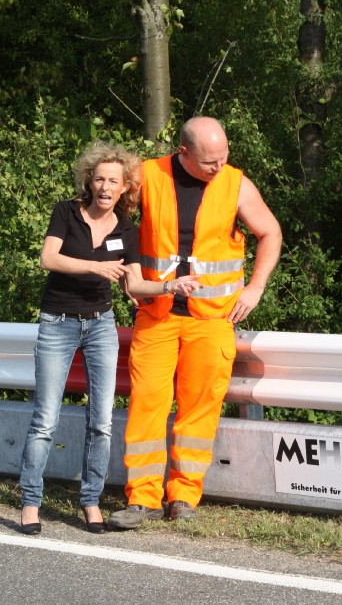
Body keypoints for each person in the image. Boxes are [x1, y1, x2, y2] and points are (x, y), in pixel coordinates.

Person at [108, 116, 282, 530]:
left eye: (224, 157)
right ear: (183, 152)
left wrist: (255, 288)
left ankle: (184, 495)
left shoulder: (236, 184)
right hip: (156, 315)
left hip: (212, 319)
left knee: (199, 410)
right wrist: (127, 274)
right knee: (147, 405)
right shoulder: (147, 176)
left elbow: (271, 233)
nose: (219, 167)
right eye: (209, 161)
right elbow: (111, 222)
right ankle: (142, 499)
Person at [19, 141, 201, 535]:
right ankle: (31, 502)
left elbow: (133, 284)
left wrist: (171, 286)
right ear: (89, 181)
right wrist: (95, 267)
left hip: (100, 325)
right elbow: (48, 258)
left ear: (124, 188)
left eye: (113, 181)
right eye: (100, 179)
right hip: (57, 322)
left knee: (101, 422)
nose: (105, 187)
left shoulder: (125, 229)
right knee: (45, 420)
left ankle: (90, 501)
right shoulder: (66, 212)